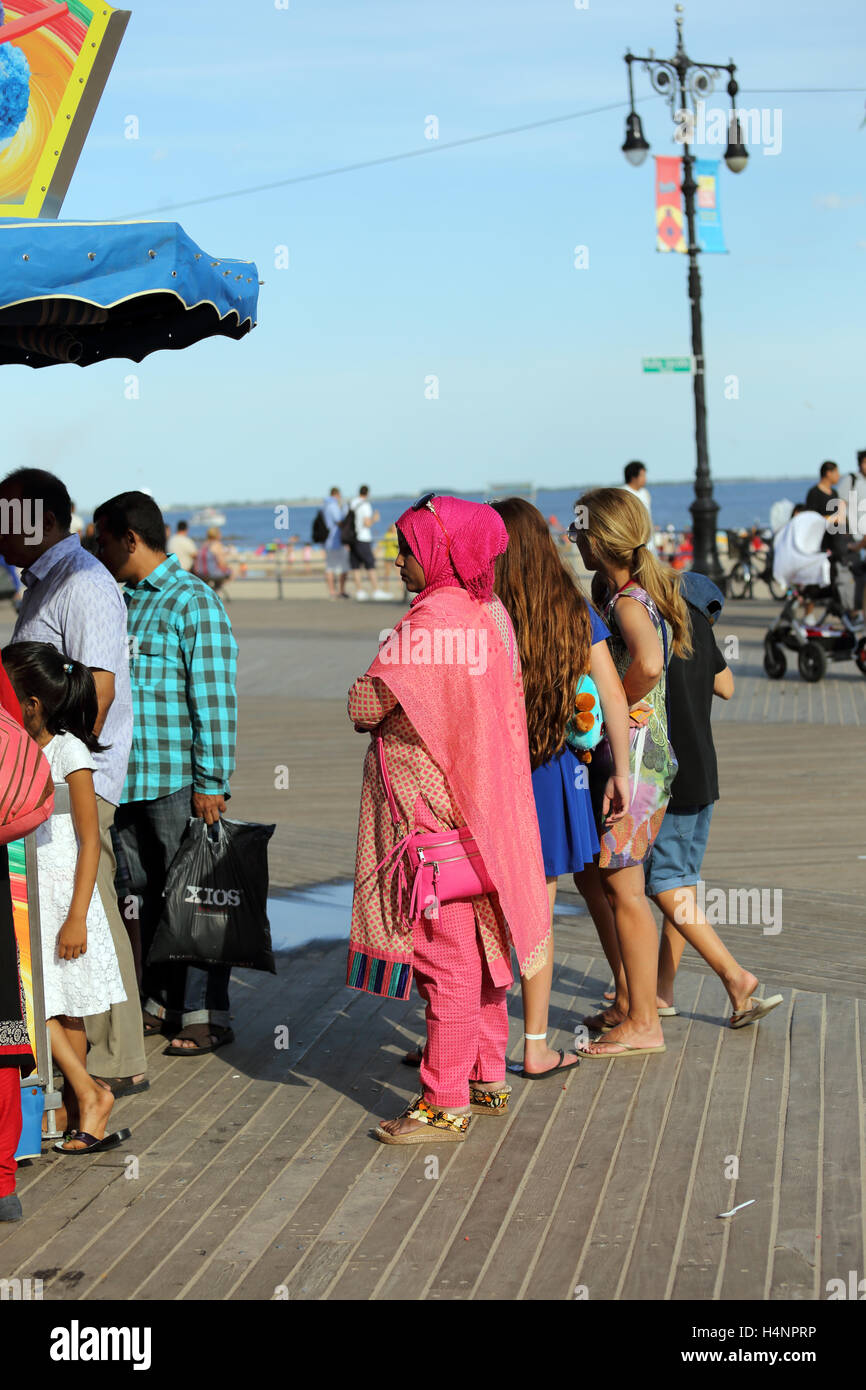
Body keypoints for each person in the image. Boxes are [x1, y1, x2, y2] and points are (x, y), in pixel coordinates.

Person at [347, 495, 551, 1143]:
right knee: (489, 948)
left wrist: (364, 690)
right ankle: (488, 1075)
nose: (399, 561)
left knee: (447, 960)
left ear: (439, 552)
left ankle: (444, 1102)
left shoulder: (431, 621)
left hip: (430, 823)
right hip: (482, 813)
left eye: (407, 549)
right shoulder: (488, 615)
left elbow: (366, 703)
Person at [0, 468, 145, 1100]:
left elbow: (100, 690)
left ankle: (116, 1060)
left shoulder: (82, 580)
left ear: (43, 520)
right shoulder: (43, 581)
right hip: (41, 776)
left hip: (69, 775)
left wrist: (50, 760)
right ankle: (77, 1060)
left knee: (93, 911)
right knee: (65, 910)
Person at [93, 491, 239, 1056]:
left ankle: (206, 1013)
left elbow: (214, 700)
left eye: (103, 540)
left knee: (198, 898)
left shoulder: (192, 602)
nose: (97, 550)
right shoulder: (116, 600)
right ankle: (159, 1001)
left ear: (131, 539)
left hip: (178, 782)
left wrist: (211, 783)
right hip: (120, 780)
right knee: (144, 899)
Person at [492, 498, 631, 1077]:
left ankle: (463, 1034)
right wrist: (622, 771)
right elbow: (614, 695)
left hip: (493, 774)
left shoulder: (484, 611)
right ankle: (535, 1045)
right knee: (537, 914)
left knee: (482, 911)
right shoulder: (572, 609)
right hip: (555, 774)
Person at [568, 487, 689, 1059]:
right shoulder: (635, 592)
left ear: (599, 539)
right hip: (645, 759)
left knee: (624, 886)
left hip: (636, 763)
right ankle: (629, 999)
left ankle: (645, 1021)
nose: (571, 539)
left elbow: (647, 662)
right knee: (597, 877)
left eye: (578, 531)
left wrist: (615, 700)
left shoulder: (627, 603)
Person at [2, 643, 132, 1154]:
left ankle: (83, 1100)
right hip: (21, 890)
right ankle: (68, 1102)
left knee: (61, 1005)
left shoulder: (69, 751)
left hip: (61, 894)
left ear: (31, 703)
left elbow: (90, 838)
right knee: (41, 1001)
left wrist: (78, 914)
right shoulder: (11, 745)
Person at [642, 578, 783, 1029]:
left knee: (665, 883)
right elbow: (728, 688)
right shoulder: (700, 631)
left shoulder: (653, 626)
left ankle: (734, 977)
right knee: (683, 882)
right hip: (704, 776)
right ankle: (662, 989)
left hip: (672, 778)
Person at [348, 485, 389, 601]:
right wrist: (375, 519)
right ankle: (376, 590)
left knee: (355, 566)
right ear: (368, 493)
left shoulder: (353, 503)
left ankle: (359, 591)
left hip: (352, 538)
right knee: (370, 564)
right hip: (363, 538)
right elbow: (367, 523)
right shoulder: (365, 505)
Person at [323, 487, 349, 599]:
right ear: (337, 494)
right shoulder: (333, 506)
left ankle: (332, 591)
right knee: (343, 567)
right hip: (336, 541)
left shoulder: (325, 506)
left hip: (328, 541)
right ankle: (340, 591)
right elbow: (339, 521)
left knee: (330, 567)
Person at [193, 526, 233, 597]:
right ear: (217, 535)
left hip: (199, 572)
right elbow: (221, 563)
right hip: (211, 573)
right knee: (231, 572)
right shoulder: (217, 545)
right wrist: (227, 567)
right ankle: (214, 592)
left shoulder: (203, 544)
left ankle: (210, 591)